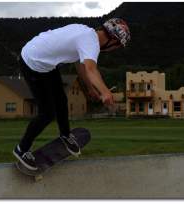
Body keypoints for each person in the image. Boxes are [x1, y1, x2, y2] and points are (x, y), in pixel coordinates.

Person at [13, 18, 131, 171]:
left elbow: (81, 65)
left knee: (61, 100)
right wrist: (105, 92)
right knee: (47, 113)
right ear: (113, 41)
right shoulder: (92, 44)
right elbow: (91, 69)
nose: (114, 50)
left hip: (45, 62)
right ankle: (21, 149)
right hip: (32, 63)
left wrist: (90, 88)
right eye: (117, 47)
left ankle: (65, 135)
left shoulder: (85, 32)